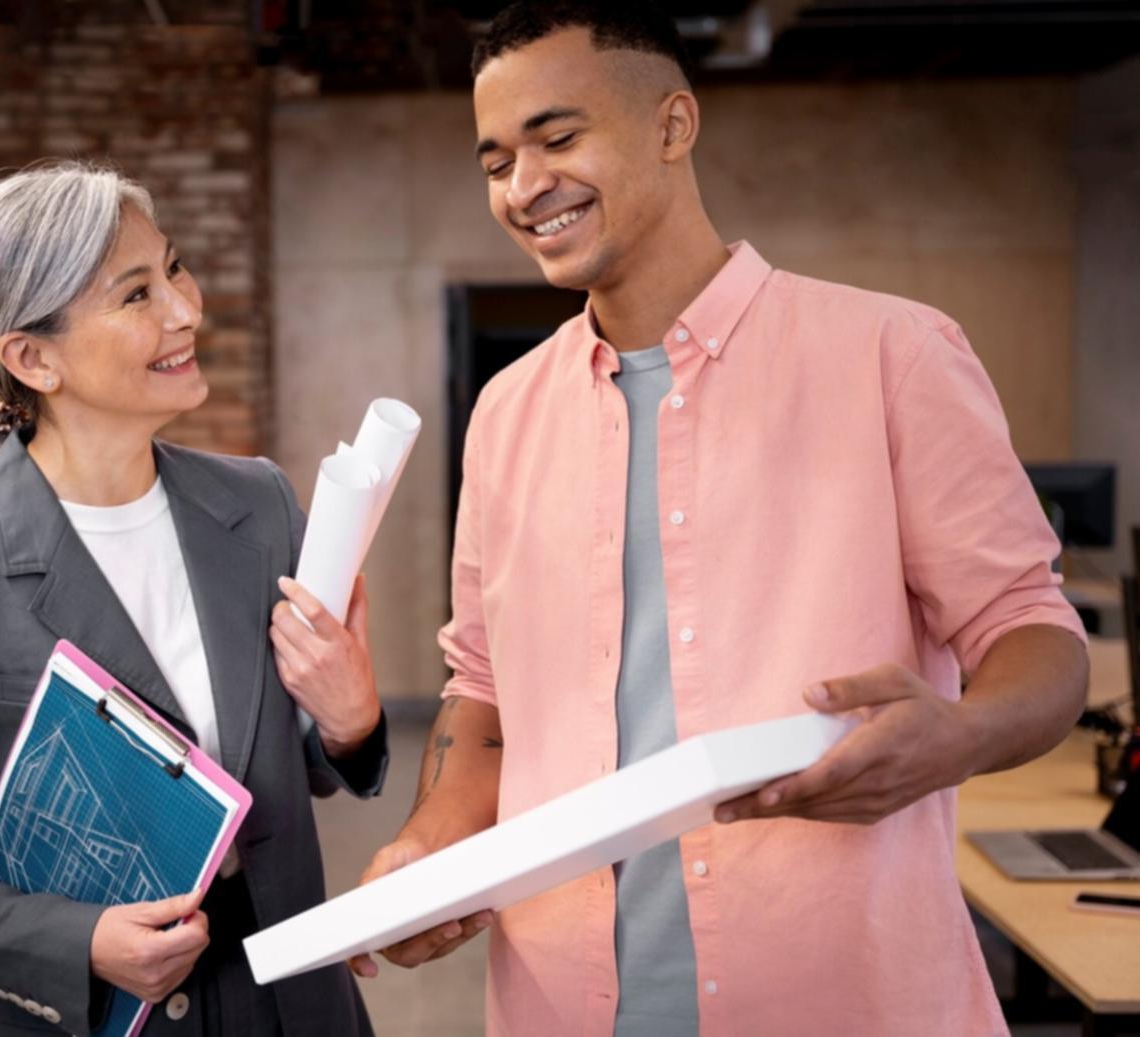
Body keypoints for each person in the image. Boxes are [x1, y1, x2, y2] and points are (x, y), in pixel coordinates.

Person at [349, 4, 1090, 1034]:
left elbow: (1038, 637)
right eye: (494, 161)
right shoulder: (506, 413)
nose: (523, 187)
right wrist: (432, 849)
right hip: (561, 1003)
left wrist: (957, 735)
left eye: (558, 138)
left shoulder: (891, 354)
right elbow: (482, 697)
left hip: (841, 1001)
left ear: (672, 125)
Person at [0, 160, 387, 1036]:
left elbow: (295, 766)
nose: (184, 308)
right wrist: (80, 937)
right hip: (78, 1012)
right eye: (136, 295)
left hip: (284, 997)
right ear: (32, 357)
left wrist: (351, 721)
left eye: (174, 268)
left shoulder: (260, 505)